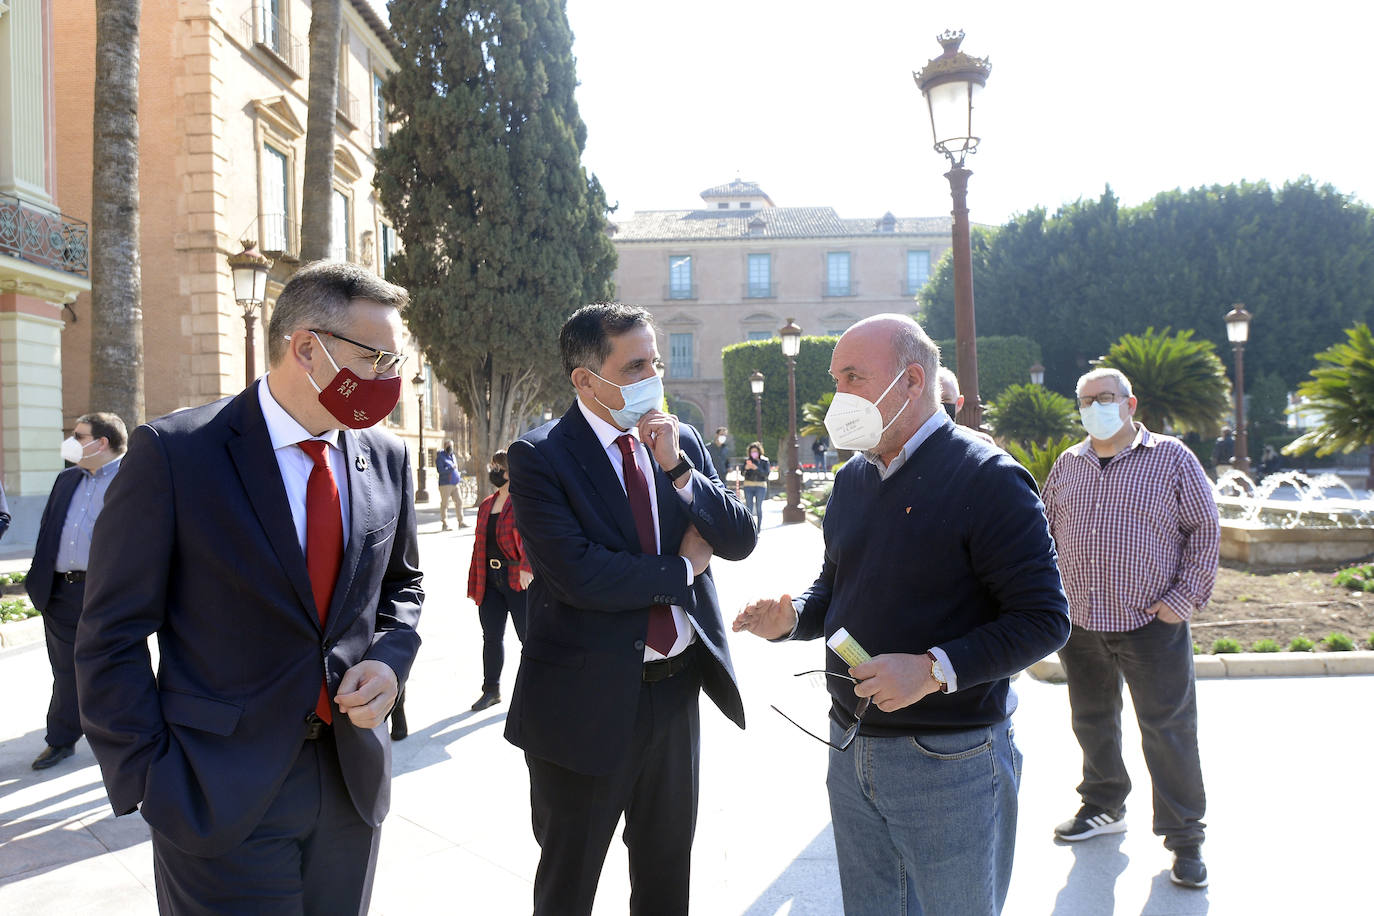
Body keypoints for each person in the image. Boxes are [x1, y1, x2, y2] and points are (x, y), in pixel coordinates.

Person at [74, 261, 424, 914]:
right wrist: (152, 777)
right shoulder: (177, 454)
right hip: (216, 793)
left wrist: (389, 661)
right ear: (306, 349)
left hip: (350, 784)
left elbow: (403, 587)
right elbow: (110, 634)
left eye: (394, 360)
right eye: (376, 358)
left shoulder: (387, 457)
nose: (390, 379)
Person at [733, 314, 1069, 916]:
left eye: (854, 378)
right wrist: (793, 619)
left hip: (950, 760)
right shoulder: (852, 480)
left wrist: (933, 669)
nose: (839, 398)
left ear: (913, 380)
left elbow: (1045, 619)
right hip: (851, 745)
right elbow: (837, 589)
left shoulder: (988, 477)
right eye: (836, 380)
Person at [505, 302, 757, 916]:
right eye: (636, 364)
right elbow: (579, 574)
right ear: (587, 379)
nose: (653, 378)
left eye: (657, 362)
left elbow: (741, 538)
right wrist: (684, 569)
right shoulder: (540, 456)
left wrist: (677, 469)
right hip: (583, 704)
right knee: (570, 879)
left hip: (675, 694)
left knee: (667, 875)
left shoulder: (680, 439)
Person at [1041, 367, 1217, 890]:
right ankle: (1103, 804)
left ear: (1129, 403)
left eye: (1105, 397)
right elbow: (1045, 533)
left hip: (1151, 623)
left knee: (1168, 731)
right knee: (1092, 720)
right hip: (1082, 622)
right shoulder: (1068, 465)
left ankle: (1186, 839)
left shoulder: (1172, 458)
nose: (1095, 406)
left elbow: (1205, 530)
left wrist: (1180, 601)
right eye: (1086, 399)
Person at [25, 412, 127, 770]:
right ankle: (61, 740)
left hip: (108, 594)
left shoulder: (133, 480)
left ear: (101, 443)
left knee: (113, 669)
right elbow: (49, 528)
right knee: (65, 672)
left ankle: (122, 740)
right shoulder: (67, 479)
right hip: (61, 594)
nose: (70, 441)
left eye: (78, 435)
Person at [466, 448, 533, 711]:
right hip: (489, 579)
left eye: (499, 468)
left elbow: (533, 539)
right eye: (492, 467)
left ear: (510, 472)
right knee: (491, 637)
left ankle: (533, 690)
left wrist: (528, 567)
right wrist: (475, 581)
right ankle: (491, 690)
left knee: (527, 638)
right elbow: (478, 546)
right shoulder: (486, 504)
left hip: (518, 577)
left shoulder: (522, 502)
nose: (494, 472)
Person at [938, 366, 997, 446]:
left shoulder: (982, 443)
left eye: (945, 400)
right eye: (932, 400)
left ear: (959, 403)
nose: (939, 405)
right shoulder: (916, 444)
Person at [436, 439, 467, 530]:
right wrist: (450, 468)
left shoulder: (452, 456)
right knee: (445, 504)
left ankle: (461, 522)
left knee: (459, 501)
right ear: (445, 446)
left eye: (452, 446)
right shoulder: (440, 457)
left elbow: (455, 469)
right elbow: (440, 470)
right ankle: (444, 524)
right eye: (449, 446)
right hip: (445, 484)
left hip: (455, 483)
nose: (451, 448)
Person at [740, 441, 770, 528]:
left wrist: (756, 468)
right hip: (748, 485)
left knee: (758, 507)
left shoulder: (765, 461)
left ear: (759, 451)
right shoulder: (747, 461)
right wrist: (746, 468)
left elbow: (766, 474)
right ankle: (750, 527)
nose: (754, 453)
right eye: (752, 451)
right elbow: (742, 473)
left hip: (760, 486)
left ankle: (758, 528)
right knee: (749, 507)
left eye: (755, 451)